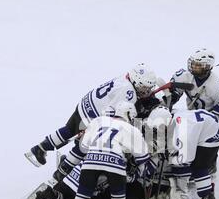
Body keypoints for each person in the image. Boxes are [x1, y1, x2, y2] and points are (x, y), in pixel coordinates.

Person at [26, 64, 157, 167]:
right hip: (92, 116)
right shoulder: (130, 93)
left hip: (85, 105)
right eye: (144, 87)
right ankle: (64, 170)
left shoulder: (124, 78)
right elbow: (116, 115)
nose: (146, 91)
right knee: (83, 147)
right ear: (137, 81)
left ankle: (40, 148)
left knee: (68, 130)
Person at [67, 102, 156, 199]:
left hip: (91, 160)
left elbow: (83, 147)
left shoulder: (98, 121)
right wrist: (143, 173)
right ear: (129, 115)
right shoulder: (132, 129)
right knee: (118, 191)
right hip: (115, 162)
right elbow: (142, 159)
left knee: (85, 190)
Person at [146, 105, 219, 199]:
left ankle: (208, 198)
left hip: (211, 135)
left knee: (198, 166)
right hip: (203, 127)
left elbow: (186, 159)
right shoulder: (172, 120)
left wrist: (169, 158)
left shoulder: (184, 131)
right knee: (178, 156)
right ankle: (181, 184)